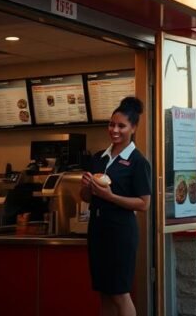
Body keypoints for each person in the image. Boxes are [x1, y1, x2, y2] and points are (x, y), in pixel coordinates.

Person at [80, 97, 152, 316]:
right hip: (98, 229)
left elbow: (144, 204)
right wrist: (85, 187)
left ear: (133, 128)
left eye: (121, 126)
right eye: (112, 124)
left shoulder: (138, 161)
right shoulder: (99, 158)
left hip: (121, 232)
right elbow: (87, 198)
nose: (115, 130)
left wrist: (111, 196)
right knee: (104, 292)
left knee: (120, 293)